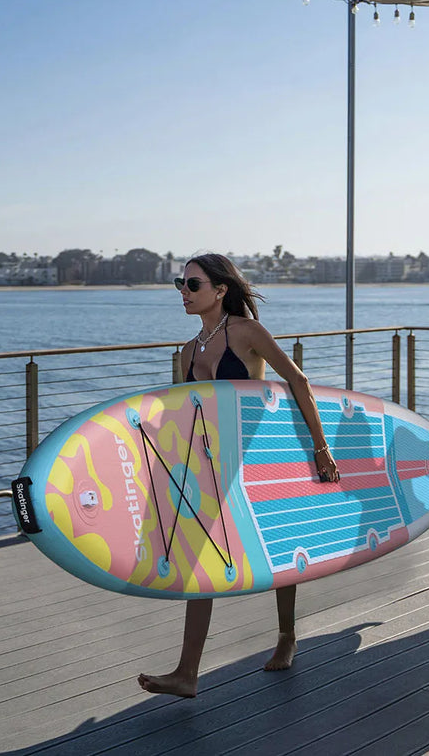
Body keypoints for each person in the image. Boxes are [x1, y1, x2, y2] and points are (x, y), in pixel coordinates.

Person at [136, 253, 341, 698]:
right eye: (180, 284)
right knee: (198, 557)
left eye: (193, 284)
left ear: (220, 289)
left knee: (277, 546)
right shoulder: (188, 351)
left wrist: (321, 447)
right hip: (211, 463)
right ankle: (187, 672)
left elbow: (298, 382)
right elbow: (183, 415)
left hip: (258, 456)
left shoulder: (246, 332)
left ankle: (287, 635)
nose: (184, 292)